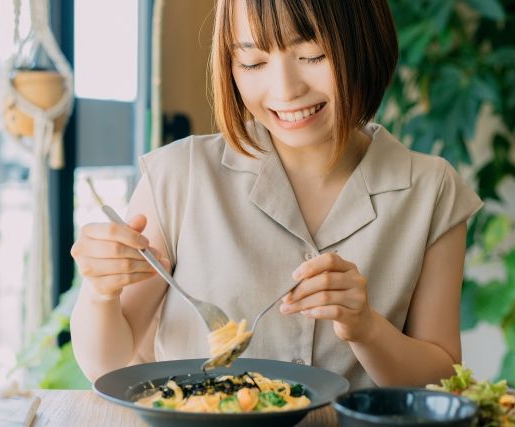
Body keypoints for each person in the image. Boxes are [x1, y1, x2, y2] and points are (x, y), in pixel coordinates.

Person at [70, 0, 483, 390]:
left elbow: (443, 382)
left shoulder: (432, 190)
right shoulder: (178, 176)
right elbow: (106, 365)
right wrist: (100, 291)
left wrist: (366, 328)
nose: (285, 91)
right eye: (253, 62)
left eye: (312, 56)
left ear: (365, 44)